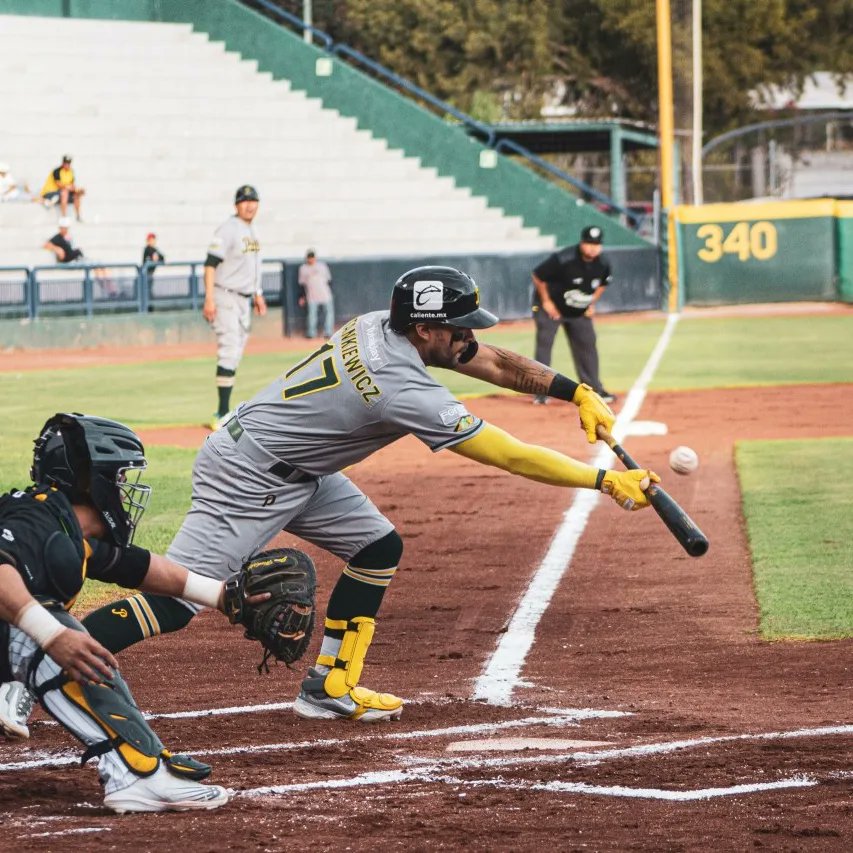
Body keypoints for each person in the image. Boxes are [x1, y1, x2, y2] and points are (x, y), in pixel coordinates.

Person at [70, 266, 658, 727]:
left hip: (300, 470)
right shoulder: (401, 387)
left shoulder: (382, 322)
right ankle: (37, 665)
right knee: (179, 600)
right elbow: (506, 453)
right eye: (459, 327)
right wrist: (602, 479)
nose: (469, 337)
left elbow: (493, 361)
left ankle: (330, 684)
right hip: (249, 475)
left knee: (376, 546)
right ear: (425, 330)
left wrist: (573, 390)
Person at [0, 413, 231, 813]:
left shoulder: (66, 531)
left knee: (43, 625)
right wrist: (52, 635)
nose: (126, 491)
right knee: (55, 631)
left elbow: (144, 569)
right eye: (121, 479)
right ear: (94, 481)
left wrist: (227, 598)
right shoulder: (37, 520)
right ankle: (136, 773)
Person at [202, 185, 267, 431]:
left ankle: (224, 409)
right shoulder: (228, 229)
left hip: (244, 299)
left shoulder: (252, 230)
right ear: (236, 205)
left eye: (254, 201)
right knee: (229, 349)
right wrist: (209, 298)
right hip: (225, 295)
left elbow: (253, 266)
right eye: (245, 201)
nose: (250, 205)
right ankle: (220, 412)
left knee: (237, 352)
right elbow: (210, 264)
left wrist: (258, 293)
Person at [531, 225, 616, 405]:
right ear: (582, 242)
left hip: (577, 311)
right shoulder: (564, 258)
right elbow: (538, 275)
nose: (593, 247)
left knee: (587, 345)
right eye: (589, 243)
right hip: (551, 308)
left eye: (597, 244)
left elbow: (603, 283)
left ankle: (594, 389)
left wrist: (591, 303)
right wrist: (546, 302)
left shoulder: (603, 263)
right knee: (545, 345)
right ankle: (541, 391)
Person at [297, 249, 334, 339]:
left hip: (325, 294)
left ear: (315, 257)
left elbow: (329, 280)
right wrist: (302, 297)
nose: (311, 259)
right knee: (312, 315)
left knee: (328, 313)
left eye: (312, 257)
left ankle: (328, 332)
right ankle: (311, 333)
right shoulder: (303, 268)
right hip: (312, 295)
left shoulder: (322, 266)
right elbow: (302, 284)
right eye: (309, 257)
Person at [40, 155, 85, 221]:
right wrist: (69, 187)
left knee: (76, 195)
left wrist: (77, 190)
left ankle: (78, 216)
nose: (67, 165)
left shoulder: (71, 172)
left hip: (60, 194)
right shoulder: (57, 171)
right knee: (64, 192)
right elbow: (59, 185)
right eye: (66, 163)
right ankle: (64, 216)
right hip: (50, 193)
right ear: (63, 163)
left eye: (68, 163)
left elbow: (72, 185)